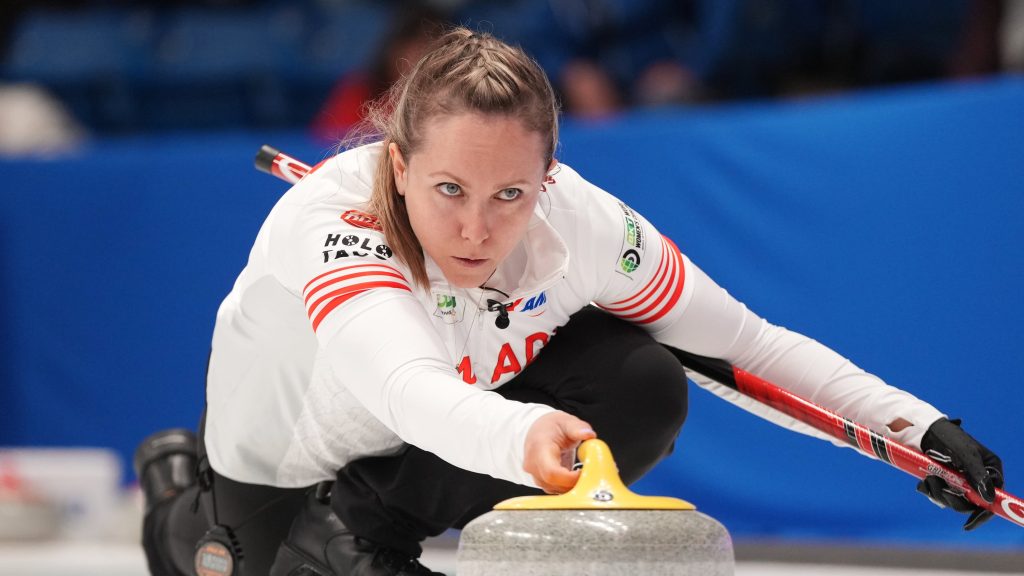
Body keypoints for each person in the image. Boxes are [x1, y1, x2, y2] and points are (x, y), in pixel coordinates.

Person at [135, 27, 1005, 576]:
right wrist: (524, 434)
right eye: (448, 189)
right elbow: (407, 386)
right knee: (219, 557)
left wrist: (918, 431)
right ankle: (180, 490)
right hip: (287, 454)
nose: (477, 228)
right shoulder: (337, 218)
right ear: (397, 165)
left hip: (403, 452)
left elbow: (747, 349)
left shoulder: (581, 224)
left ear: (548, 178)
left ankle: (366, 535)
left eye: (510, 194)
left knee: (642, 378)